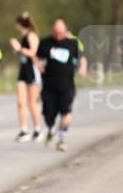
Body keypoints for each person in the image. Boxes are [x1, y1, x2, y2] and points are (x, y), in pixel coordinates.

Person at [36, 19, 86, 151]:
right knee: (48, 116)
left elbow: (82, 58)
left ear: (66, 31)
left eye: (61, 32)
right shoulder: (45, 43)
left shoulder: (72, 43)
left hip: (67, 86)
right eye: (56, 32)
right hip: (49, 87)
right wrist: (39, 64)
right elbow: (37, 57)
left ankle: (61, 138)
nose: (58, 35)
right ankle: (51, 130)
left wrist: (83, 68)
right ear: (52, 31)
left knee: (67, 114)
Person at [9, 12, 42, 142]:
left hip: (32, 70)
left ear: (20, 24)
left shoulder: (31, 35)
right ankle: (24, 130)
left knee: (31, 102)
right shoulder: (23, 37)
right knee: (21, 102)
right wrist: (18, 50)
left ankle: (38, 129)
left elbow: (33, 52)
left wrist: (19, 48)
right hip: (23, 70)